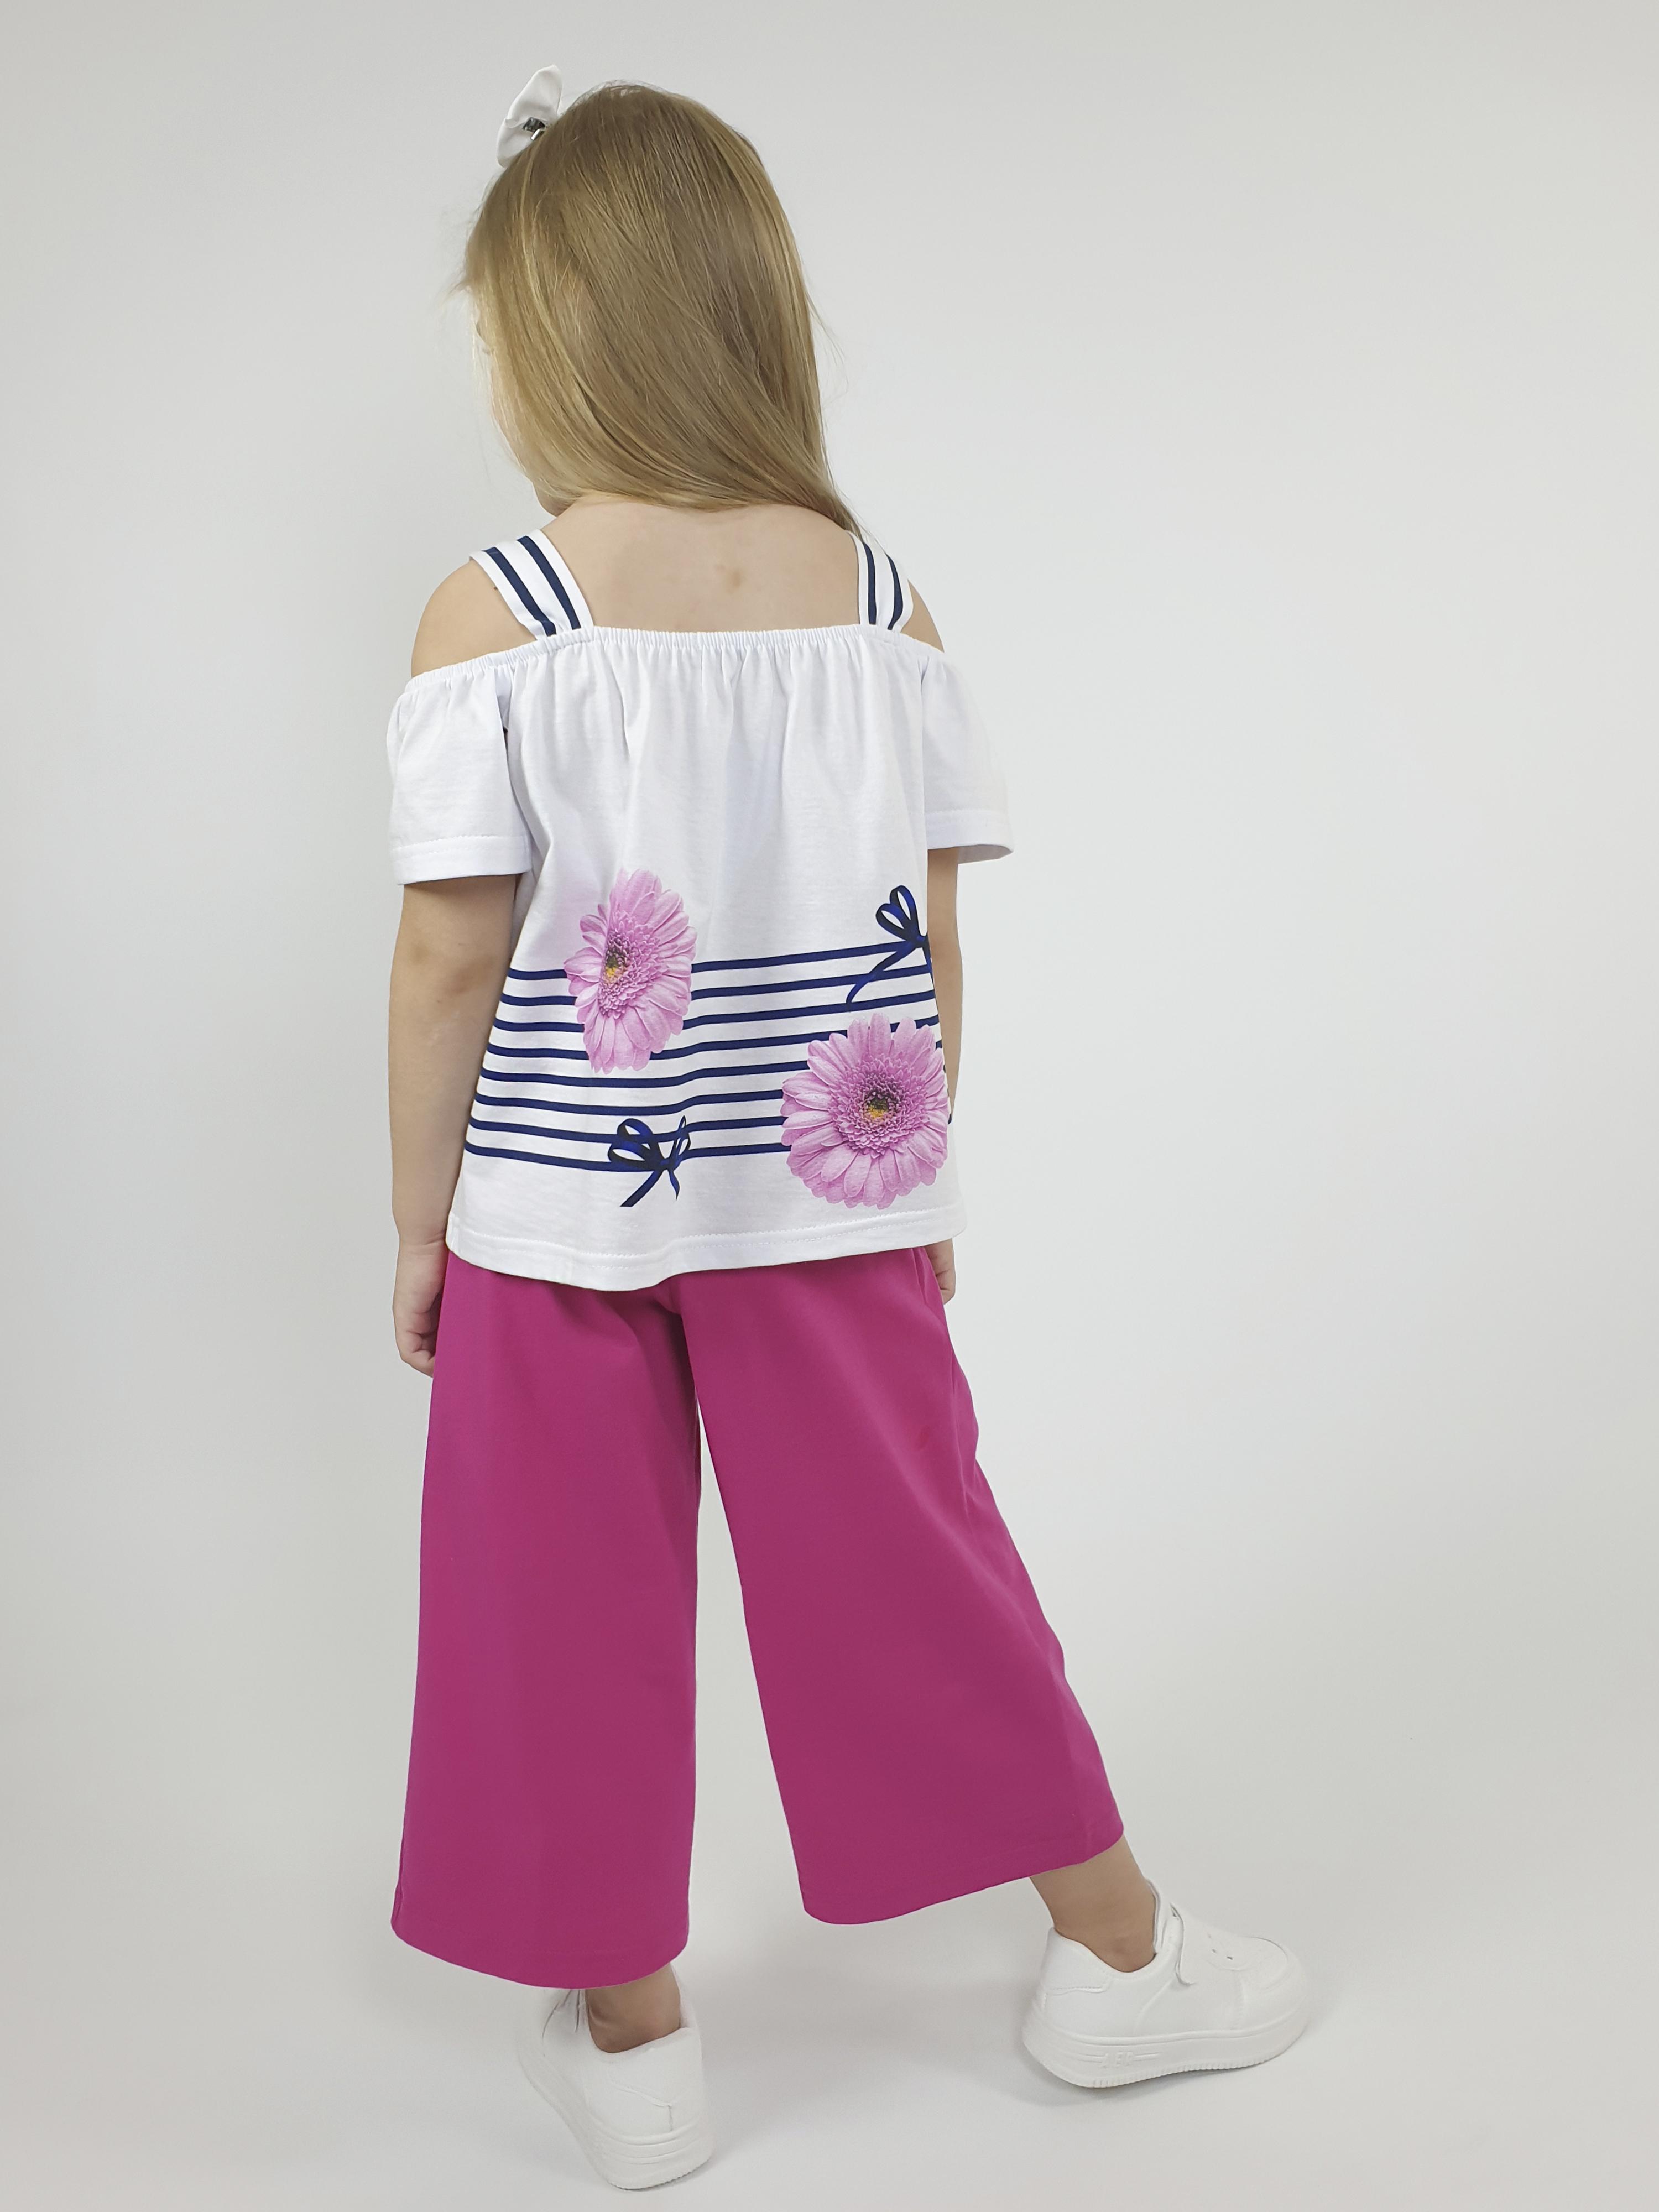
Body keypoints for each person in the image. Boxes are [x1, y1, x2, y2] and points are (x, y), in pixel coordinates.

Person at [384, 65, 1310, 2192]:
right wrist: (918, 1168)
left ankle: (637, 2042)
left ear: (552, 337)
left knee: (553, 1594)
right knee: (914, 1558)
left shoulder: (496, 614)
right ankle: (1117, 1953)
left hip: (560, 1208)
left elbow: (446, 960)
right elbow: (933, 940)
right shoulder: (887, 606)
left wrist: (424, 1226)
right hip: (829, 1195)